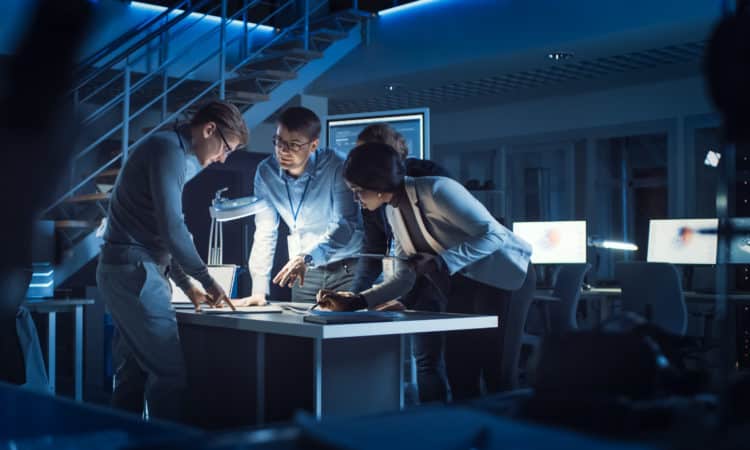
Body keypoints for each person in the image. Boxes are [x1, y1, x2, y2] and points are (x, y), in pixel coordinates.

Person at [317, 143, 535, 401]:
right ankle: (469, 437)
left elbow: (495, 234)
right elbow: (404, 274)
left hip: (505, 278)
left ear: (378, 184)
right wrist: (357, 301)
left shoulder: (437, 190)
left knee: (496, 373)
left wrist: (441, 262)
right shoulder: (392, 210)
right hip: (463, 285)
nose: (356, 198)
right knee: (460, 372)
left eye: (359, 191)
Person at [97, 100, 249, 421]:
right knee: (169, 377)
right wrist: (207, 280)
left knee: (132, 376)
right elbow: (172, 227)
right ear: (209, 129)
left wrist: (185, 284)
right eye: (225, 148)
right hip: (135, 271)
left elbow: (160, 229)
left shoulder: (173, 152)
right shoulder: (168, 151)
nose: (223, 158)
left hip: (127, 270)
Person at [350, 124, 452, 403]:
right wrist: (355, 298)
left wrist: (402, 293)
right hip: (407, 278)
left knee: (431, 361)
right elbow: (373, 248)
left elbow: (443, 244)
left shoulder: (429, 178)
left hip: (442, 279)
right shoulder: (370, 192)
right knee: (419, 362)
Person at [243, 107, 362, 304]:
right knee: (303, 330)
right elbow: (265, 231)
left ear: (313, 145)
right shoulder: (266, 172)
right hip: (304, 273)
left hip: (347, 269)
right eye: (279, 142)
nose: (283, 151)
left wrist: (306, 257)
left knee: (346, 331)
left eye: (294, 145)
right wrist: (259, 290)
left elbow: (344, 224)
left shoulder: (337, 166)